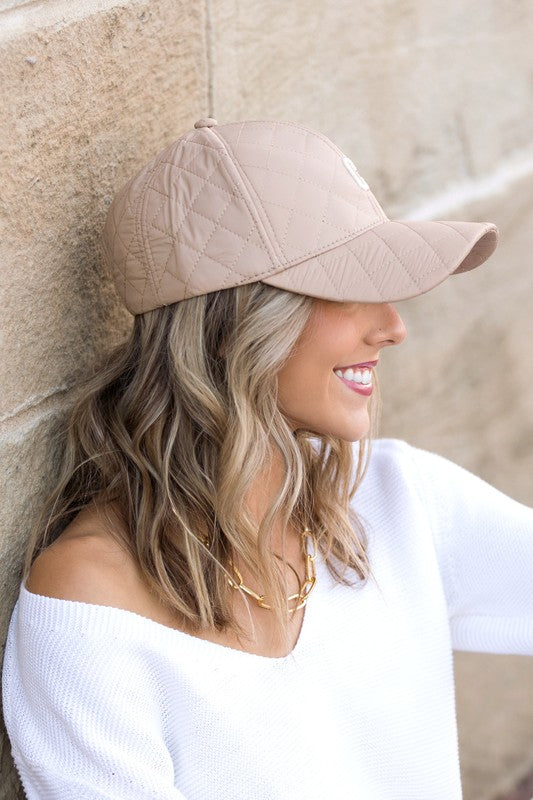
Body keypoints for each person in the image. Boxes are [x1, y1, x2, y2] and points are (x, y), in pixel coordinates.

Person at [1, 117, 531, 800]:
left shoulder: (396, 500)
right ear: (229, 326)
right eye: (347, 289)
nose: (392, 327)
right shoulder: (93, 602)